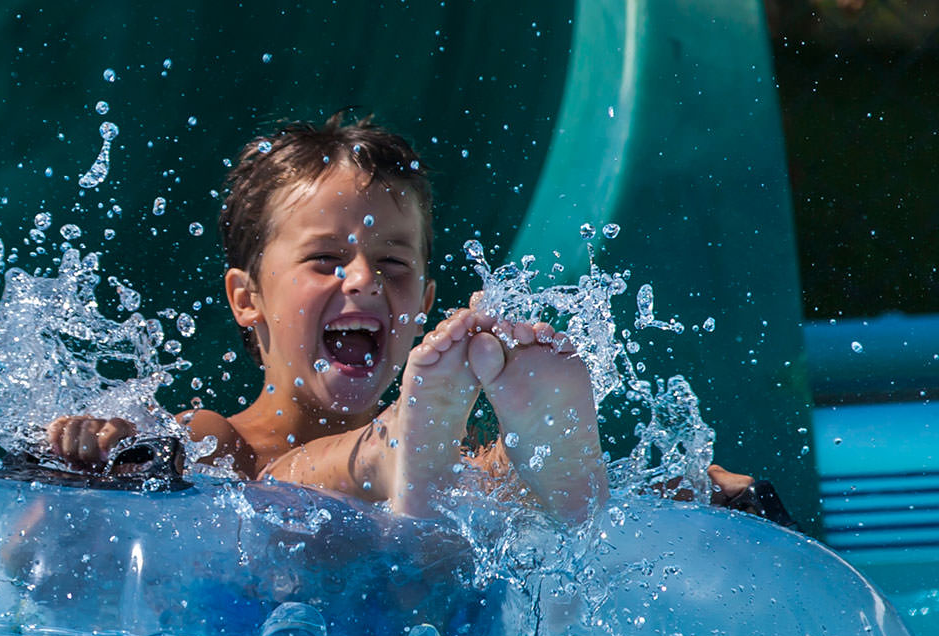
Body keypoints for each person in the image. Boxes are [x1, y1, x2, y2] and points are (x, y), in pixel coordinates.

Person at [47, 113, 751, 521]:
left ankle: (550, 465)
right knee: (269, 492)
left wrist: (688, 484)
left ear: (421, 305)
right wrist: (100, 455)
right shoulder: (216, 442)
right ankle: (378, 456)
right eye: (325, 259)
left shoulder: (445, 461)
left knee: (488, 485)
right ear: (246, 297)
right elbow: (31, 565)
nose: (364, 280)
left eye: (393, 266)